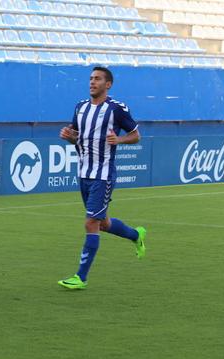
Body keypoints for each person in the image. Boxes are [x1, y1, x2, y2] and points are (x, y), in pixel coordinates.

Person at [58, 67, 147, 290]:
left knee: (90, 222)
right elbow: (77, 137)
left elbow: (136, 135)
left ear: (108, 84)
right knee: (103, 223)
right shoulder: (80, 107)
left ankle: (80, 277)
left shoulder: (116, 109)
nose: (92, 82)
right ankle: (136, 235)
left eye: (97, 79)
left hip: (103, 176)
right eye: (90, 78)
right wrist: (69, 136)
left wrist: (119, 140)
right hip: (84, 174)